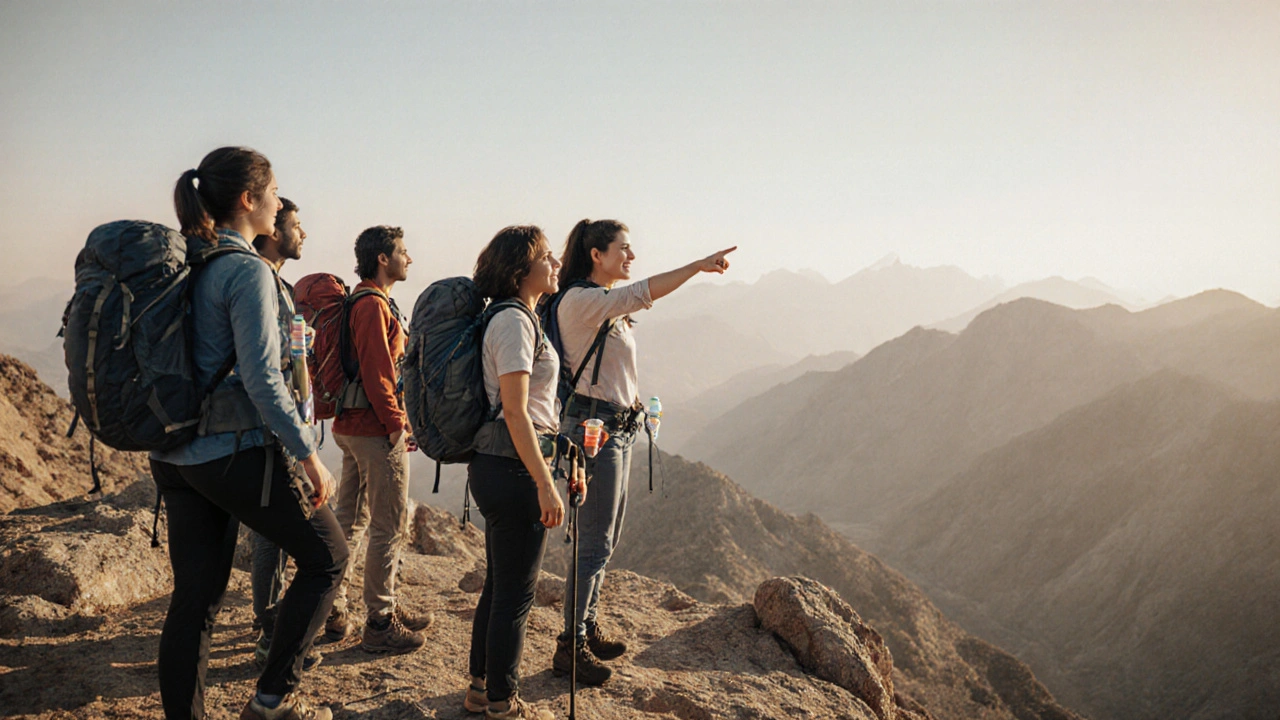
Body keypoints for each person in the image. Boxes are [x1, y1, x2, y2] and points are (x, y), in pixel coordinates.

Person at [150, 147, 347, 720]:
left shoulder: (189, 260)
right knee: (328, 557)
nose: (281, 201)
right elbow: (263, 380)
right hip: (228, 452)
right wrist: (308, 453)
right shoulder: (247, 271)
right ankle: (270, 699)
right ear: (248, 200)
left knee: (196, 600)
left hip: (174, 453)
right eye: (276, 191)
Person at [550, 219, 734, 685]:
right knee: (592, 542)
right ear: (597, 254)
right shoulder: (581, 300)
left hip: (620, 428)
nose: (630, 256)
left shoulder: (606, 306)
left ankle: (586, 627)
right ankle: (569, 646)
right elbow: (643, 292)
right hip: (593, 430)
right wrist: (695, 266)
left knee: (605, 540)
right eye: (623, 249)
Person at [465, 225, 581, 720]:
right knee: (515, 595)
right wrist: (543, 483)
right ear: (520, 269)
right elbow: (515, 412)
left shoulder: (519, 318)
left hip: (502, 466)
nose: (556, 264)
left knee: (499, 583)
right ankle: (502, 702)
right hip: (512, 471)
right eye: (547, 257)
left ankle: (479, 687)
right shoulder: (513, 322)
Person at [327, 225, 431, 653]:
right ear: (383, 259)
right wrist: (396, 423)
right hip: (372, 429)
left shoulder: (365, 300)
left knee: (348, 522)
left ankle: (336, 610)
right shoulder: (372, 305)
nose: (410, 259)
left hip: (350, 426)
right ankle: (380, 620)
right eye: (403, 252)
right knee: (388, 524)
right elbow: (378, 372)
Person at [247, 198, 321, 670]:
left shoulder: (279, 284)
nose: (303, 234)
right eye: (297, 225)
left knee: (271, 534)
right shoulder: (258, 281)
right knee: (273, 536)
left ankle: (269, 622)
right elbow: (260, 367)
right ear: (274, 230)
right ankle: (270, 630)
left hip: (283, 423)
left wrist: (301, 345)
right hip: (270, 427)